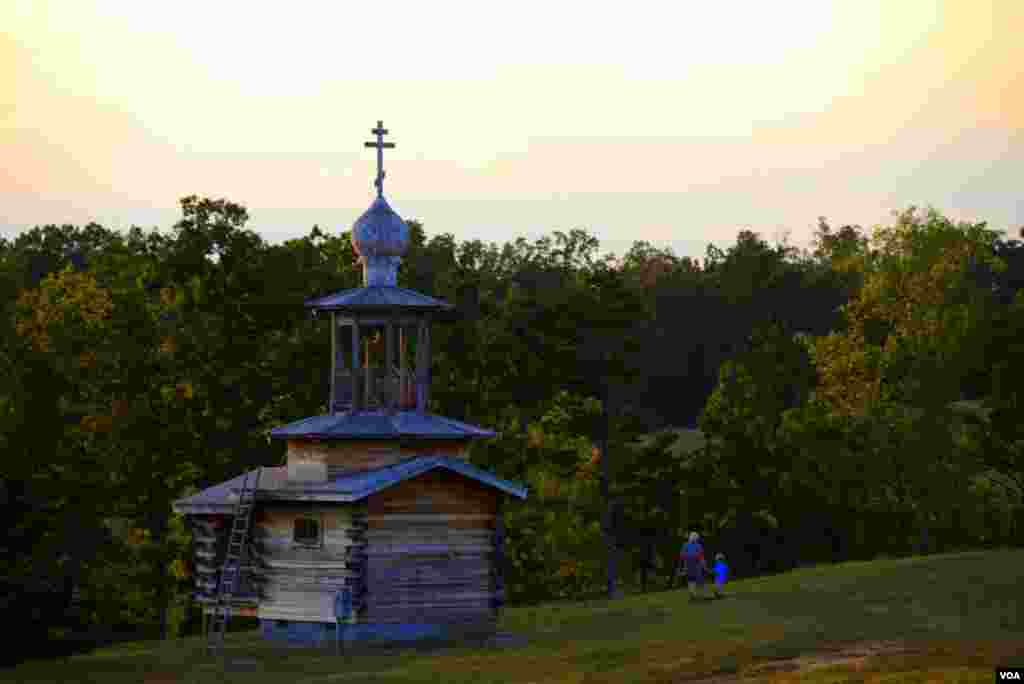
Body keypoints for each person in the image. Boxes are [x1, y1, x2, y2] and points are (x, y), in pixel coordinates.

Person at [680, 532, 708, 601]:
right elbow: (682, 555)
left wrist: (703, 563)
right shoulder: (687, 545)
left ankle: (697, 594)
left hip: (694, 564)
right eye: (694, 537)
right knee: (693, 580)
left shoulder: (695, 545)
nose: (694, 539)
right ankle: (694, 595)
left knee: (695, 580)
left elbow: (683, 555)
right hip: (692, 564)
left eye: (695, 537)